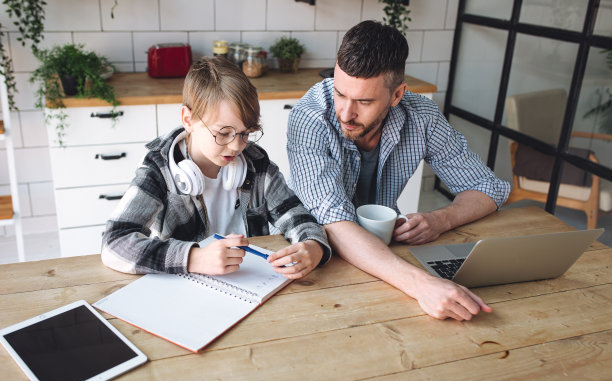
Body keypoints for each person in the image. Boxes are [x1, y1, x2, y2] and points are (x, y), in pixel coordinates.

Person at [287, 20, 511, 321]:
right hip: (315, 259)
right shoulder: (310, 116)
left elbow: (488, 188)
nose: (346, 113)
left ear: (397, 95)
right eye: (340, 94)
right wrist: (422, 285)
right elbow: (334, 221)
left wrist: (441, 219)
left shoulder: (423, 117)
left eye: (364, 101)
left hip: (386, 260)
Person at [102, 56, 330, 278]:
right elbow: (114, 242)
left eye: (245, 133)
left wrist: (313, 247)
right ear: (188, 120)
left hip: (250, 282)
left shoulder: (257, 164)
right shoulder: (159, 169)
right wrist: (194, 258)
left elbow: (297, 216)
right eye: (223, 133)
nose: (236, 146)